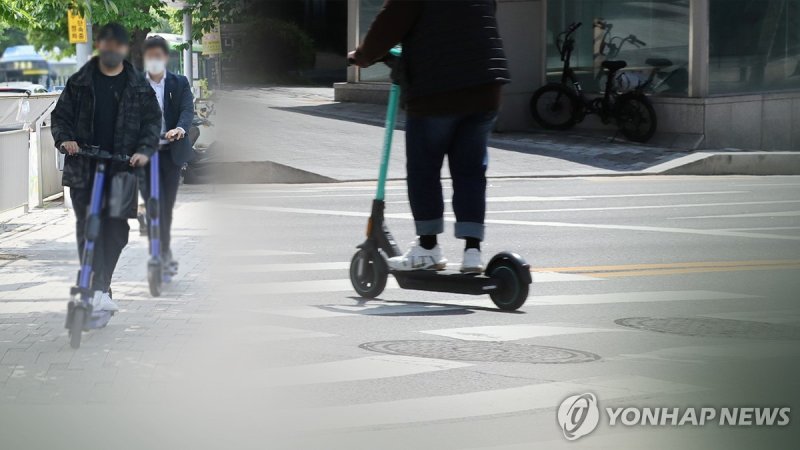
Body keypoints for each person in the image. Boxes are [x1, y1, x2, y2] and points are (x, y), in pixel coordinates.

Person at [348, 0, 510, 273]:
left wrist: (363, 56)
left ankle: (428, 247)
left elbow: (390, 23)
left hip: (437, 90)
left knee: (424, 169)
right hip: (485, 85)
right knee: (470, 171)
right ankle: (473, 252)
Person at [51, 23, 161, 311]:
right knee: (88, 228)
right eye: (106, 45)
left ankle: (101, 285)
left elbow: (152, 122)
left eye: (117, 46)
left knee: (115, 231)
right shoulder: (79, 82)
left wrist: (143, 150)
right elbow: (60, 117)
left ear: (124, 49)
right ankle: (95, 286)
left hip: (121, 167)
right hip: (84, 166)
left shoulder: (138, 85)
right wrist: (66, 140)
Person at [141, 35, 195, 274]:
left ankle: (163, 251)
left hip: (171, 152)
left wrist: (180, 129)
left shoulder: (179, 82)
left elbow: (187, 109)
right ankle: (159, 252)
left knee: (166, 205)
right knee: (154, 203)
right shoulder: (135, 86)